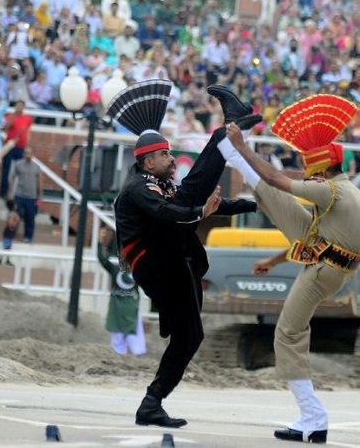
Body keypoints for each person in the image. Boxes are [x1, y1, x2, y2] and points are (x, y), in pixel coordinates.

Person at [220, 96, 360, 444]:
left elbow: (277, 177)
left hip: (324, 272)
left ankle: (312, 416)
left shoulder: (329, 192)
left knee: (288, 333)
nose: (306, 173)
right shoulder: (346, 190)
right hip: (332, 264)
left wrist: (244, 148)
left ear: (320, 169)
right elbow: (318, 237)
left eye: (309, 168)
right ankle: (230, 154)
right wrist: (273, 261)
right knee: (281, 202)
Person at [113, 82, 260, 428]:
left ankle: (152, 402)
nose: (170, 158)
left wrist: (257, 204)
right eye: (165, 154)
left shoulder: (160, 184)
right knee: (192, 193)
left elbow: (208, 205)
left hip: (173, 260)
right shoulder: (140, 187)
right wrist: (201, 213)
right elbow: (171, 214)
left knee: (190, 336)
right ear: (149, 160)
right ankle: (228, 129)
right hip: (156, 261)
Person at [98, 226, 146, 355]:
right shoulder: (116, 268)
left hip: (130, 304)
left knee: (133, 332)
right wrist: (101, 244)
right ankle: (121, 354)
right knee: (119, 334)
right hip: (119, 304)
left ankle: (136, 354)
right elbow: (103, 259)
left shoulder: (138, 267)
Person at [10, 147, 41, 243]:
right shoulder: (19, 165)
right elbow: (12, 177)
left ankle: (28, 237)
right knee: (15, 217)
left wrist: (39, 196)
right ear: (24, 154)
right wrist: (10, 192)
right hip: (19, 195)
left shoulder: (36, 167)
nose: (28, 155)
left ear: (32, 154)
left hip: (31, 197)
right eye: (26, 153)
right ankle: (11, 235)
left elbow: (39, 182)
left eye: (30, 153)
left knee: (30, 218)